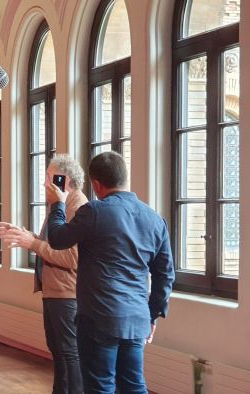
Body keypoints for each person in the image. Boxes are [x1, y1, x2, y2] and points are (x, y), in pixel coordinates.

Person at [46, 151, 175, 393]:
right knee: (134, 386)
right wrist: (152, 315)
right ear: (125, 177)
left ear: (96, 184)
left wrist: (58, 205)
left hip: (99, 317)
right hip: (137, 318)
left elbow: (57, 239)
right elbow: (166, 274)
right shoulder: (155, 219)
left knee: (99, 386)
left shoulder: (94, 211)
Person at [0, 155, 87, 394]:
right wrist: (27, 236)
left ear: (63, 180)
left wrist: (33, 244)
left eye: (49, 177)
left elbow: (70, 258)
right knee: (58, 350)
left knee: (69, 352)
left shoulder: (75, 206)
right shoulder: (60, 204)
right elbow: (54, 244)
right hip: (55, 291)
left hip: (67, 293)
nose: (45, 183)